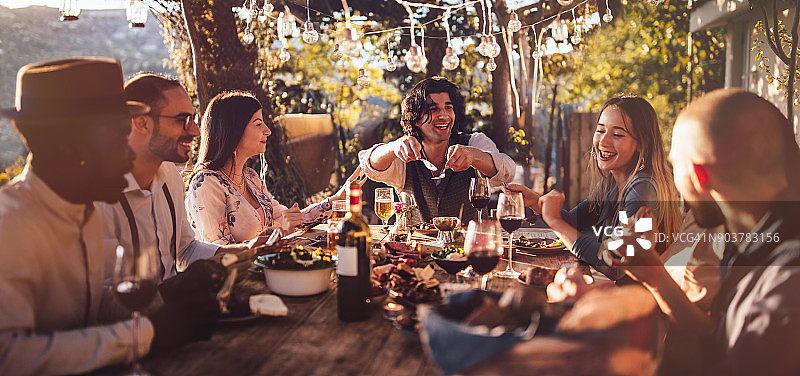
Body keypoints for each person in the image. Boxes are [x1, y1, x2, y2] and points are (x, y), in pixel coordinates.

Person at [0, 58, 222, 375]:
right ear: (67, 148)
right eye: (118, 139)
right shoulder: (11, 223)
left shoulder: (82, 210)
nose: (130, 154)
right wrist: (147, 335)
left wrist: (167, 295)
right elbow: (9, 356)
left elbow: (88, 308)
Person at [602, 89, 800, 374]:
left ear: (698, 175)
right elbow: (720, 339)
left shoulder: (784, 286)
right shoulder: (752, 238)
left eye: (674, 165)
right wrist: (654, 275)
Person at [96, 73, 264, 280]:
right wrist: (172, 295)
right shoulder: (99, 199)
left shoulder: (170, 177)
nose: (195, 131)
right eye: (182, 120)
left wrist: (246, 249)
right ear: (142, 123)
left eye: (193, 119)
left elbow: (186, 250)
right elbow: (99, 295)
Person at [506, 95, 682, 277]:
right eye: (600, 131)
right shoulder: (612, 185)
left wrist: (555, 221)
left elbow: (618, 266)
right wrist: (537, 202)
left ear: (641, 143)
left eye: (618, 134)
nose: (603, 142)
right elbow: (574, 224)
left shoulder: (642, 189)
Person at [186, 90, 363, 244]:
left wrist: (339, 197)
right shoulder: (206, 184)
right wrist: (280, 232)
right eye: (257, 124)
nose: (267, 130)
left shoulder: (250, 178)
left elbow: (294, 220)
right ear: (233, 131)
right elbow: (219, 253)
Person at [358, 77, 515, 223]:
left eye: (448, 107)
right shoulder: (404, 154)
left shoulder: (474, 142)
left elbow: (507, 172)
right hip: (416, 249)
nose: (444, 115)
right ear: (416, 119)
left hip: (469, 248)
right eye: (433, 109)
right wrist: (392, 147)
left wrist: (474, 156)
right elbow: (369, 165)